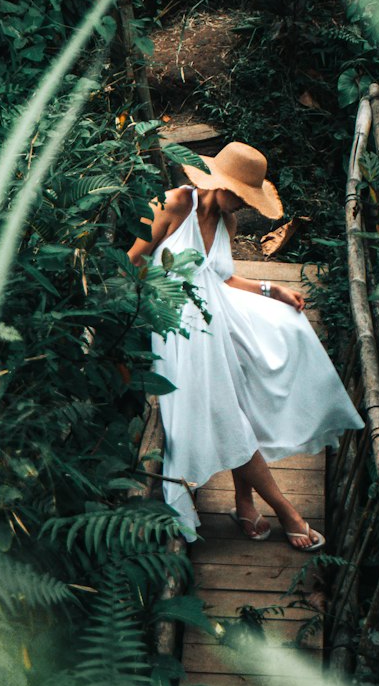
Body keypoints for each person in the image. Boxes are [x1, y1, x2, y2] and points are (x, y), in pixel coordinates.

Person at [127, 141, 364, 549]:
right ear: (219, 183)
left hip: (215, 308)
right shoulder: (172, 205)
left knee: (283, 335)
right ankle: (286, 509)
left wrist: (273, 290)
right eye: (240, 195)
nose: (243, 205)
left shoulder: (227, 223)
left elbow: (221, 277)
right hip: (174, 316)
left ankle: (243, 498)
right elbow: (133, 263)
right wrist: (165, 300)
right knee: (225, 404)